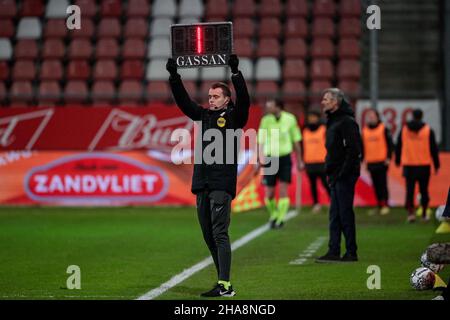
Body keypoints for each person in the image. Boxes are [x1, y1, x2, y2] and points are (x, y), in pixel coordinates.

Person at [166, 54, 250, 297]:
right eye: (210, 96)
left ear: (226, 100)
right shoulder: (203, 116)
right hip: (202, 182)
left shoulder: (234, 117)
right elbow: (184, 103)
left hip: (221, 183)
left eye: (216, 96)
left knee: (220, 232)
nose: (211, 100)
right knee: (208, 234)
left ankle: (225, 285)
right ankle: (222, 281)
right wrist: (174, 77)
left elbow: (244, 100)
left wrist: (236, 74)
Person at [316, 88, 362, 263]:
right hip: (336, 174)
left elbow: (354, 151)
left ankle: (351, 252)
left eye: (326, 99)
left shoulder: (347, 122)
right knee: (335, 214)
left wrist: (342, 173)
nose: (323, 102)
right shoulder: (334, 121)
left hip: (344, 175)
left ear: (336, 102)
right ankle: (334, 250)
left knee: (344, 213)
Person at [257, 99, 302, 229]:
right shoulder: (266, 120)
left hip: (284, 158)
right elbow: (260, 139)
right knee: (269, 193)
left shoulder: (290, 119)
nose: (267, 109)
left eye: (269, 106)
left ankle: (280, 219)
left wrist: (299, 160)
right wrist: (259, 157)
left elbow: (296, 140)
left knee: (283, 190)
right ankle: (274, 214)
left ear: (278, 107)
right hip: (270, 158)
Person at [395, 108, 440, 223]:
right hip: (424, 165)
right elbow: (434, 149)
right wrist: (436, 165)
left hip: (409, 165)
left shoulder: (404, 129)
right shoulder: (428, 130)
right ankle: (424, 213)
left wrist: (398, 160)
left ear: (412, 116)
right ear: (421, 116)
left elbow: (399, 145)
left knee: (410, 190)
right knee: (424, 190)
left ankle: (411, 213)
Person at [361, 108, 394, 216]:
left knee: (382, 183)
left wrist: (388, 158)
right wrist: (362, 160)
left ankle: (385, 205)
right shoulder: (365, 130)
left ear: (377, 117)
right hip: (371, 162)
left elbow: (390, 145)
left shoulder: (383, 128)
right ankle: (379, 204)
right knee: (375, 185)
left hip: (382, 161)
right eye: (369, 116)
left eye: (372, 116)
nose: (370, 118)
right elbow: (362, 147)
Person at [301, 109, 330, 213]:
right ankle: (316, 204)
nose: (312, 119)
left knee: (325, 183)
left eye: (314, 117)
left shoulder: (324, 129)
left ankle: (332, 201)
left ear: (318, 118)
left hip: (321, 161)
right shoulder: (305, 131)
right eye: (310, 118)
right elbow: (302, 146)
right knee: (312, 184)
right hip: (309, 162)